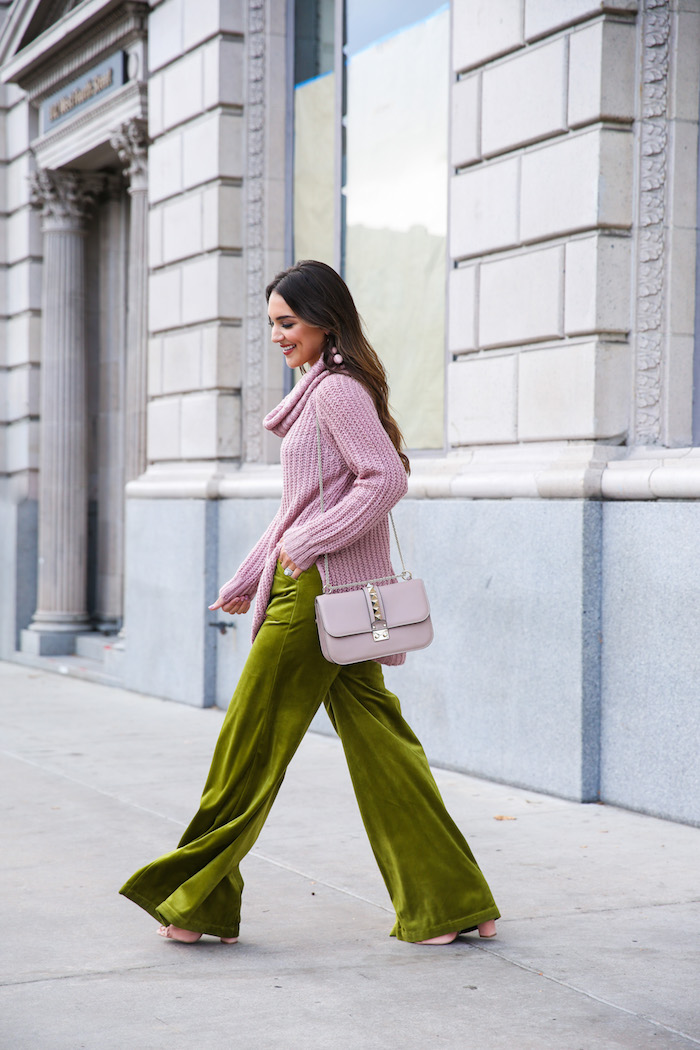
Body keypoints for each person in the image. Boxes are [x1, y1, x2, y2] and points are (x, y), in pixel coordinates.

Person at [119, 260, 500, 946]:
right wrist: (250, 574)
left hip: (318, 594)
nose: (277, 335)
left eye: (287, 323)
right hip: (326, 589)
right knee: (384, 748)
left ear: (326, 321)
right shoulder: (321, 391)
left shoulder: (335, 393)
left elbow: (383, 480)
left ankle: (195, 899)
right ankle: (453, 901)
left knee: (249, 746)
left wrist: (307, 545)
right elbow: (301, 506)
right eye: (272, 324)